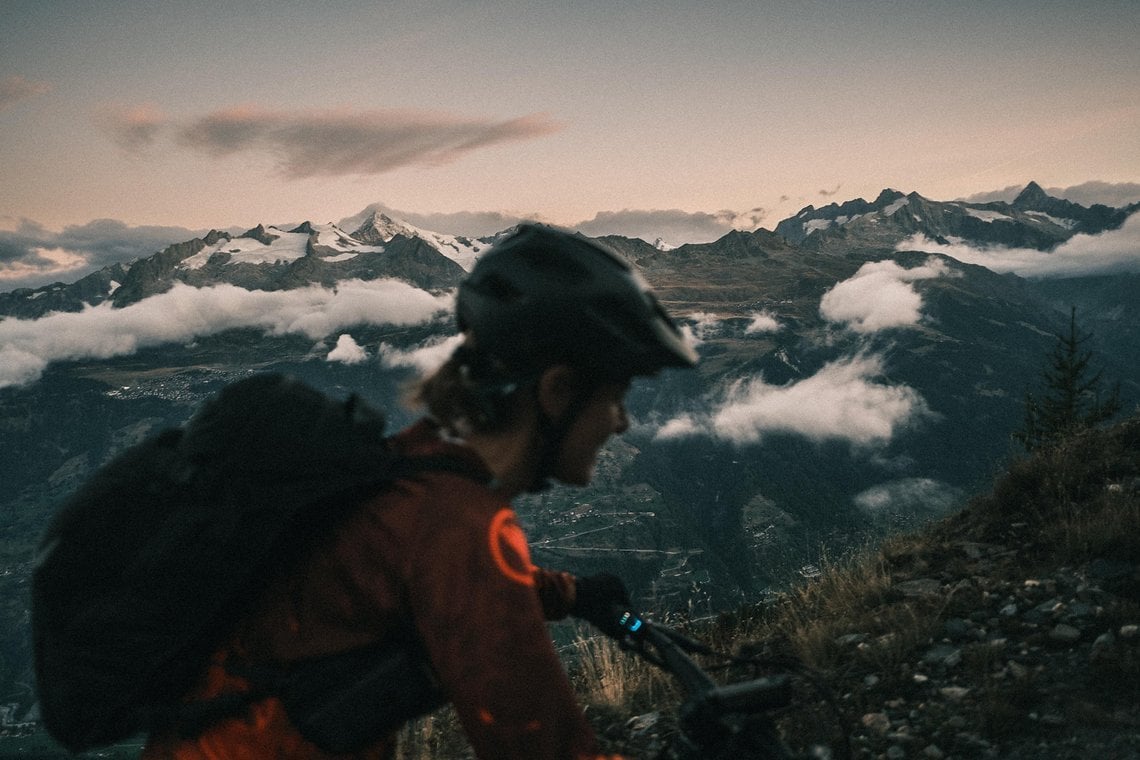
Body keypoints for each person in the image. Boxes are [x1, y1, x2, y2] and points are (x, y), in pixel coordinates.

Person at [141, 224, 697, 759]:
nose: (622, 423)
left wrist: (569, 594)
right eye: (617, 397)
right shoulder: (459, 522)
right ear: (559, 391)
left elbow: (443, 584)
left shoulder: (411, 467)